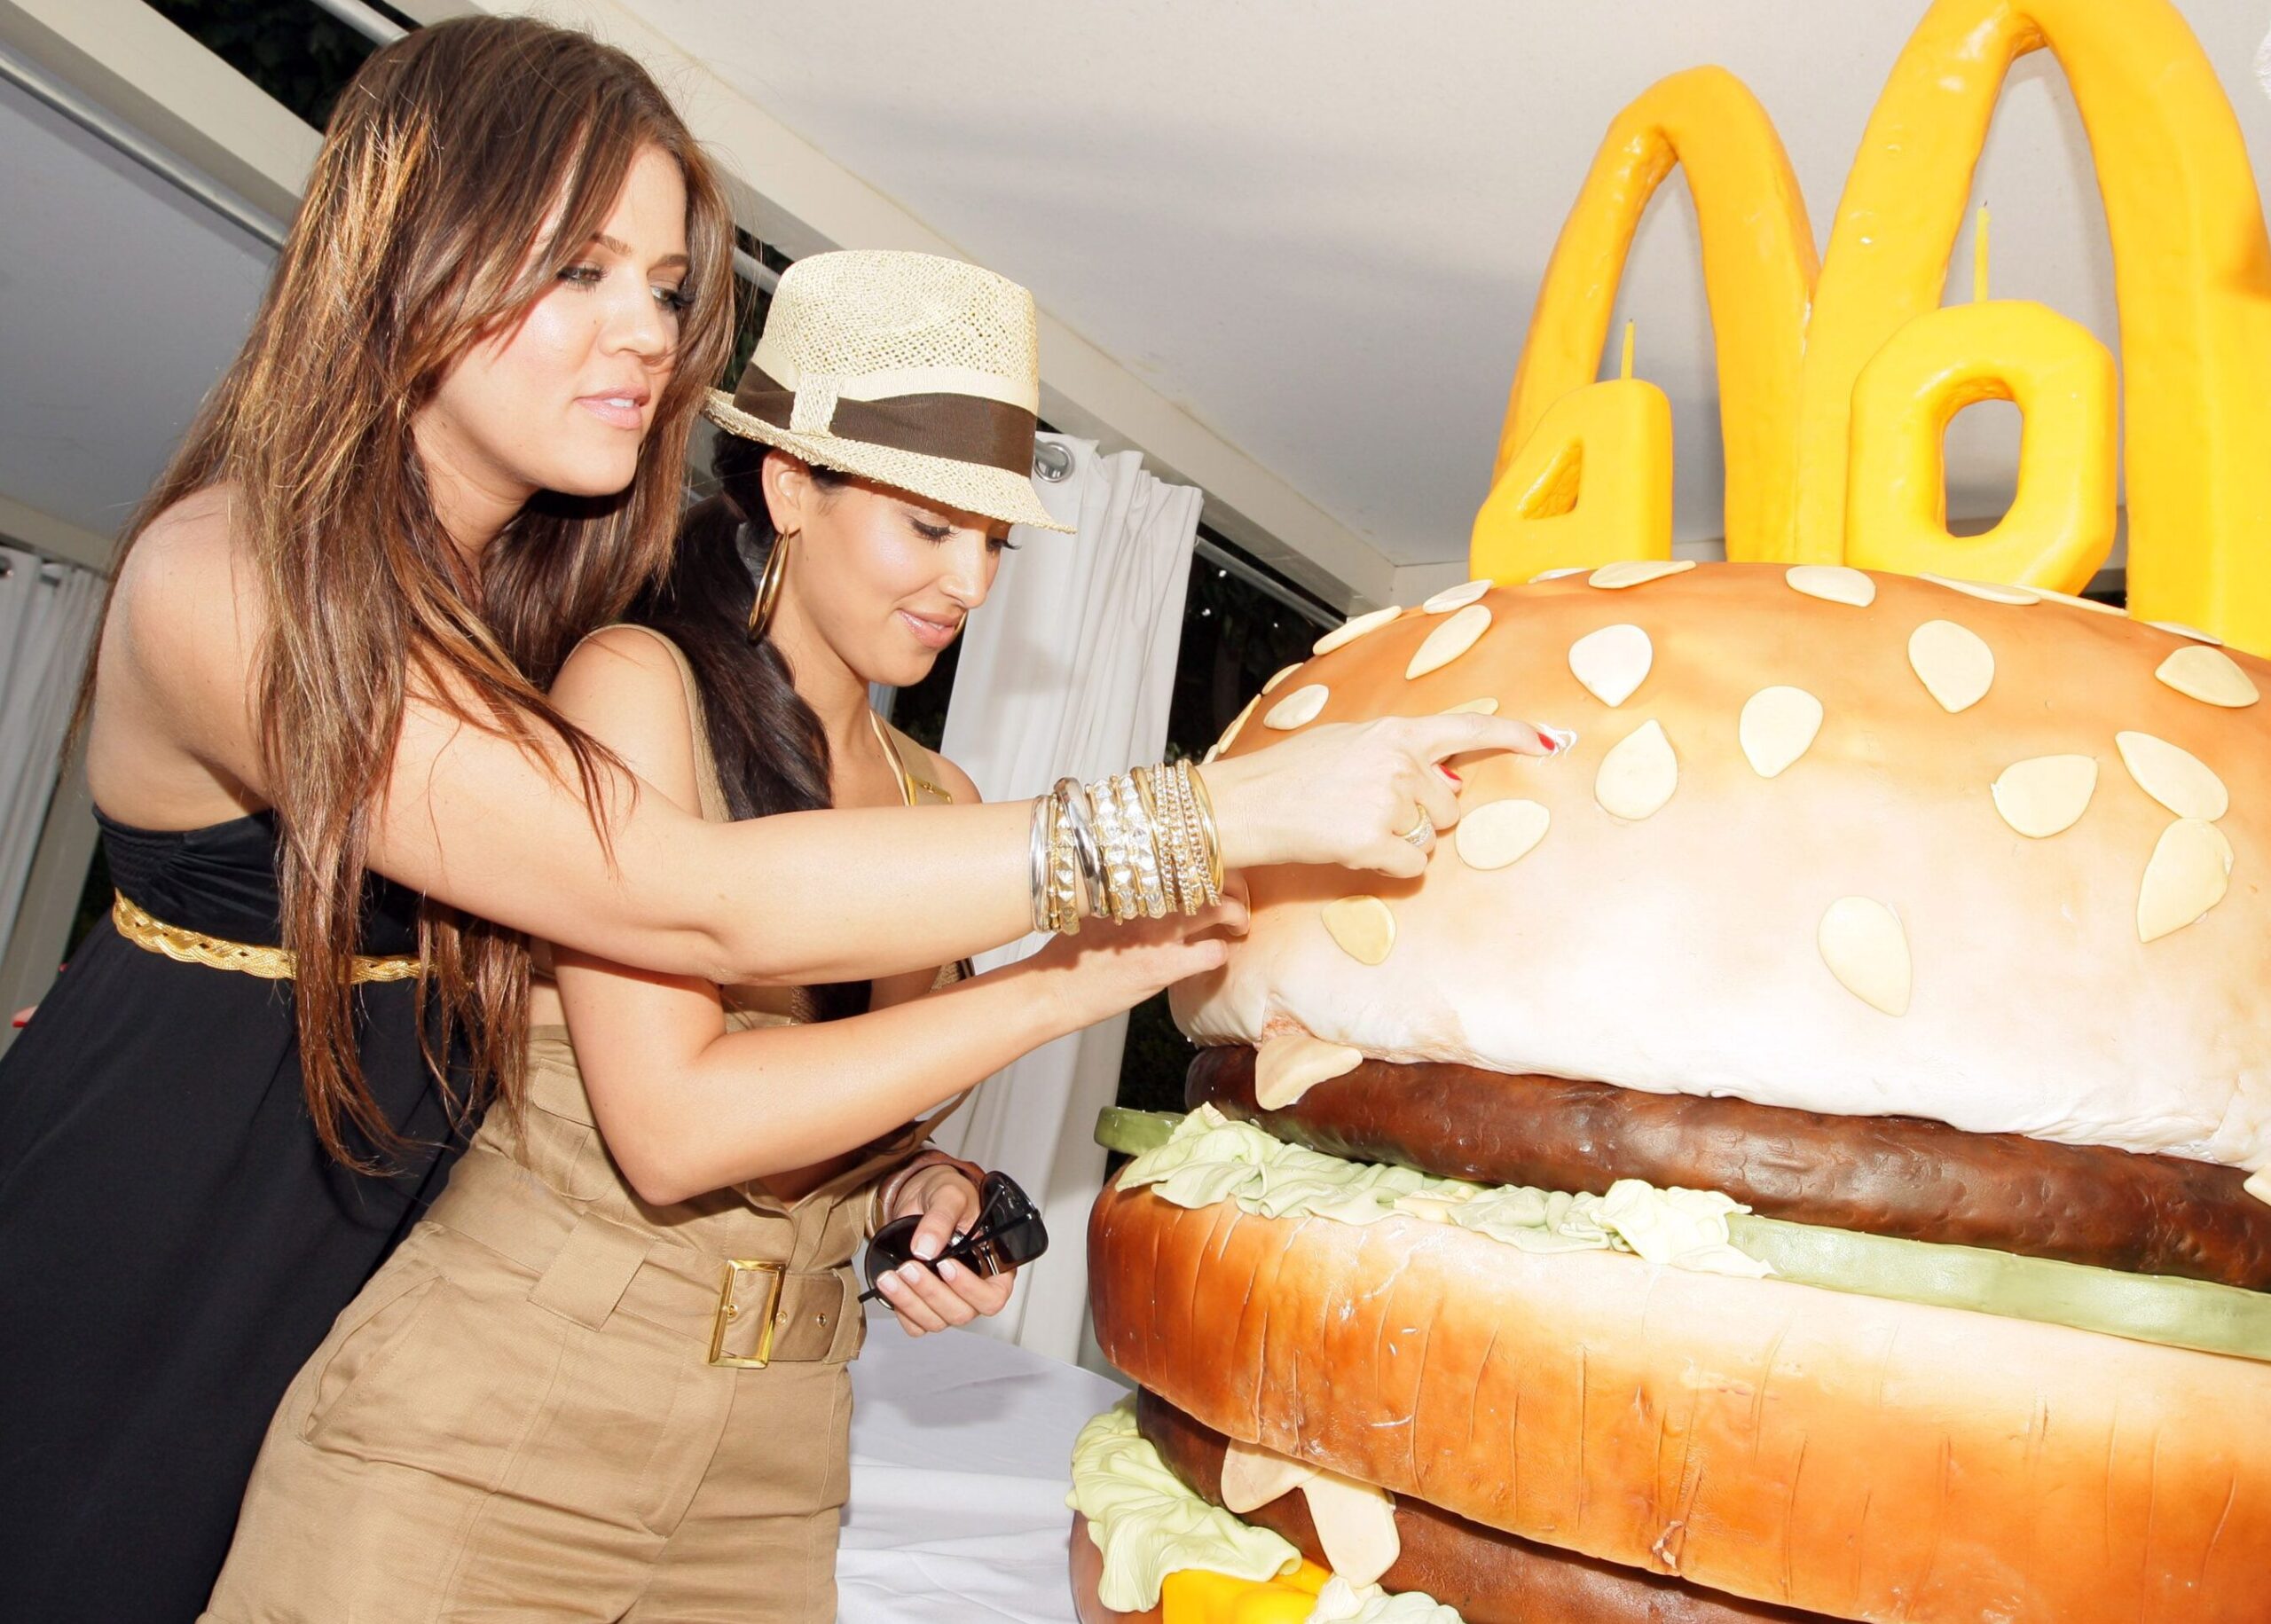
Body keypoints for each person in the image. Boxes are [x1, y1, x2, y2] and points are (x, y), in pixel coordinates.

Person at [0, 19, 1555, 1622]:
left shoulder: (526, 614)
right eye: (578, 271)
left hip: (362, 1267)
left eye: (670, 289)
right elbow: (680, 904)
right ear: (409, 257)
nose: (645, 335)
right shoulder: (236, 576)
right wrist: (1199, 824)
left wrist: (908, 1193)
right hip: (145, 1253)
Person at [202, 247, 1230, 1621]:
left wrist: (914, 1194)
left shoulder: (945, 800)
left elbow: (833, 1126)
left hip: (780, 1462)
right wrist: (1070, 982)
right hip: (495, 1429)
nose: (972, 584)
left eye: (992, 542)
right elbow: (674, 1129)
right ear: (790, 486)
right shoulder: (636, 685)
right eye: (931, 526)